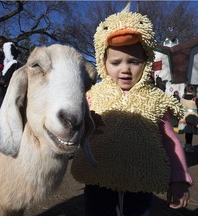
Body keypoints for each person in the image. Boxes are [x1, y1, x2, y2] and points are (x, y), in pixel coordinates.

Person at [71, 5, 192, 216]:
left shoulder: (155, 99)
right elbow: (76, 128)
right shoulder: (92, 96)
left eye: (134, 61)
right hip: (99, 177)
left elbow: (170, 140)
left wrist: (179, 178)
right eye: (116, 62)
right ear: (103, 63)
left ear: (146, 63)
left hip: (141, 181)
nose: (125, 69)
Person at [179, 85, 198, 152]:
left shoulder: (182, 99)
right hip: (193, 117)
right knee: (191, 133)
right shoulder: (195, 99)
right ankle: (188, 148)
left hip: (184, 117)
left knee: (188, 133)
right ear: (193, 91)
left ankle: (188, 146)